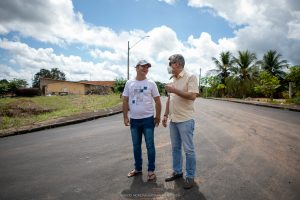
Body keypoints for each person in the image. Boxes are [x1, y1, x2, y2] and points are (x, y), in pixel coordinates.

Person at [162, 54, 199, 189]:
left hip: (185, 120)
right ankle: (177, 172)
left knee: (189, 150)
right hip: (174, 120)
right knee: (175, 148)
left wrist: (174, 90)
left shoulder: (190, 77)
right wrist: (165, 115)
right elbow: (169, 99)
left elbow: (192, 96)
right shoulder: (172, 79)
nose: (169, 66)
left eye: (171, 63)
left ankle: (190, 177)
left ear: (177, 64)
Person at [123, 59, 161, 181]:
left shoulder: (151, 83)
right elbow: (125, 100)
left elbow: (158, 101)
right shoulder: (129, 83)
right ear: (136, 68)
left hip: (148, 120)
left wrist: (158, 116)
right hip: (134, 120)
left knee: (150, 146)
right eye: (143, 67)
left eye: (147, 67)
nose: (145, 69)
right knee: (136, 146)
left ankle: (151, 170)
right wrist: (125, 116)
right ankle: (138, 168)